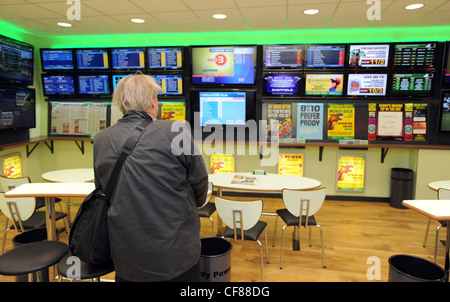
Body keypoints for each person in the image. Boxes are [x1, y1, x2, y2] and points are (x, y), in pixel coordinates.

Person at [93, 73, 209, 282]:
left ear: (121, 103)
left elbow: (102, 188)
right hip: (176, 256)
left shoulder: (101, 138)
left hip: (127, 257)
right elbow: (199, 185)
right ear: (153, 102)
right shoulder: (177, 130)